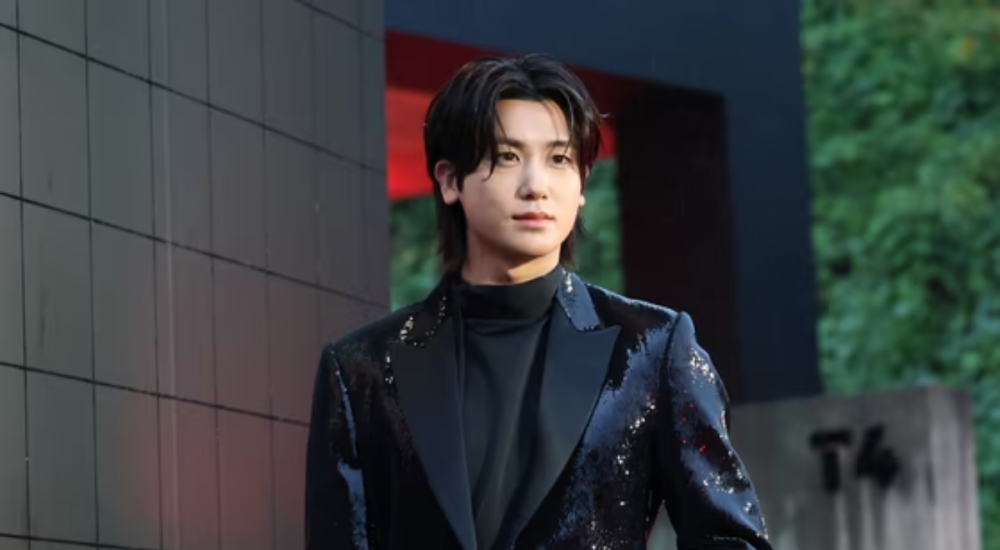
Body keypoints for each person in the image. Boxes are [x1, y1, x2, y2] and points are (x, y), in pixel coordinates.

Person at [305, 54, 772, 550]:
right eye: (507, 156)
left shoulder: (653, 348)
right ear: (449, 180)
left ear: (582, 182)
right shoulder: (360, 369)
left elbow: (731, 540)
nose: (536, 187)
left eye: (559, 159)